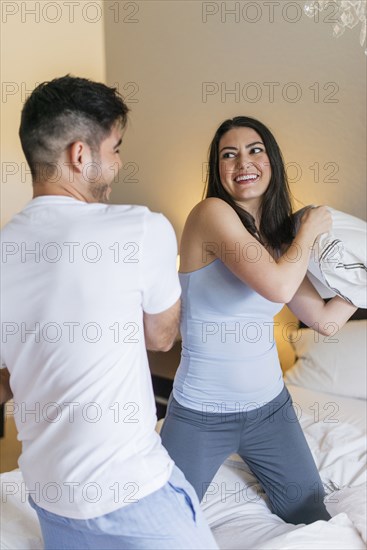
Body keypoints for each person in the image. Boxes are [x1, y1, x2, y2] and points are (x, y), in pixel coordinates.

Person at [0, 75, 218, 550]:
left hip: (51, 500)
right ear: (81, 155)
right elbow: (161, 338)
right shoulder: (139, 229)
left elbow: (5, 377)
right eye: (115, 148)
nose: (118, 163)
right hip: (134, 497)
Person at [160, 116, 358, 525]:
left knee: (311, 515)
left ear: (272, 161)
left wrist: (361, 283)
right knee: (165, 521)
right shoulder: (209, 214)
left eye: (254, 151)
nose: (242, 163)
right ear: (218, 171)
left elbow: (324, 321)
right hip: (201, 415)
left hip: (271, 411)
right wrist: (308, 231)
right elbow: (278, 289)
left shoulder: (280, 242)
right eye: (228, 155)